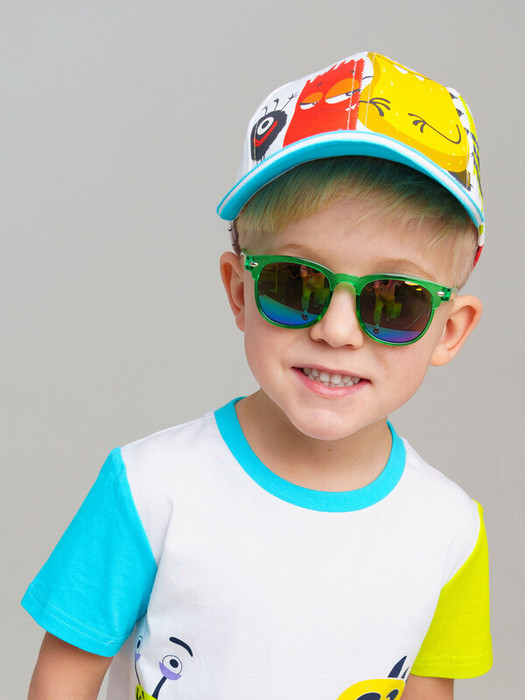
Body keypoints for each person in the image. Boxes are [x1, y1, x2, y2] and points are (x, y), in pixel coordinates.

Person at [23, 51, 492, 700]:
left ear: (450, 330)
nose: (337, 330)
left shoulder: (449, 529)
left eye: (394, 300)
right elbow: (63, 680)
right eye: (295, 283)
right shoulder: (149, 487)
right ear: (239, 292)